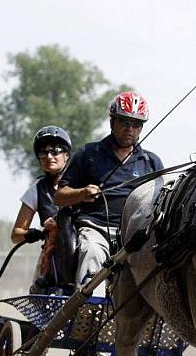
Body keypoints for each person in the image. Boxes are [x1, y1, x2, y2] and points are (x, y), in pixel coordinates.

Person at [55, 92, 163, 293]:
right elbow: (60, 196)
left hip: (136, 234)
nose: (129, 128)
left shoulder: (151, 162)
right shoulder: (88, 154)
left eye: (136, 123)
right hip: (96, 228)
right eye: (124, 121)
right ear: (112, 121)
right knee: (92, 251)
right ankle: (89, 310)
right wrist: (81, 193)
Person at [11, 126, 72, 287]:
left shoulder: (80, 185)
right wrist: (31, 234)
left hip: (80, 248)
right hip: (51, 255)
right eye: (43, 153)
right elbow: (16, 235)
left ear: (66, 155)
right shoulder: (36, 190)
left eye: (55, 151)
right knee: (38, 291)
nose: (49, 156)